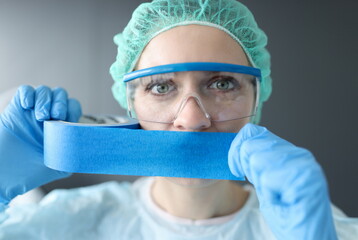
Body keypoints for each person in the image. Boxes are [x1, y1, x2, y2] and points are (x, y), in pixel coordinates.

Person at [0, 0, 357, 239]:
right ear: (130, 102)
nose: (191, 120)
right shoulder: (68, 223)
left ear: (256, 93)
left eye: (221, 83)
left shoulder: (311, 224)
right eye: (160, 87)